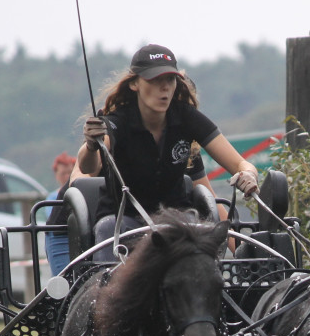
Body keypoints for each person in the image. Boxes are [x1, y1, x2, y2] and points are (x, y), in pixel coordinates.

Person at [74, 44, 259, 260]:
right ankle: (104, 289)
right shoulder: (119, 121)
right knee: (107, 228)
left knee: (198, 230)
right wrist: (91, 145)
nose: (165, 88)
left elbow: (242, 165)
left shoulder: (186, 117)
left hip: (177, 220)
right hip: (123, 221)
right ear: (135, 84)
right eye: (155, 80)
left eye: (170, 80)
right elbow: (89, 166)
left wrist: (248, 174)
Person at [43, 151, 77, 275]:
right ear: (56, 175)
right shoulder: (52, 197)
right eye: (63, 173)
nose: (67, 176)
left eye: (69, 172)